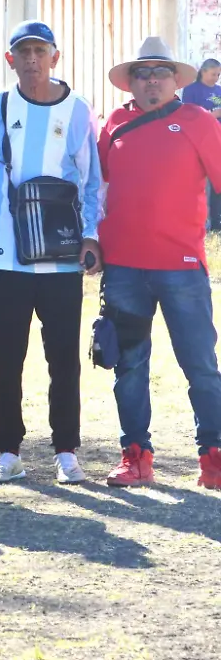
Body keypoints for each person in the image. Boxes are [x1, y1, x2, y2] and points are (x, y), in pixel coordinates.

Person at [0, 20, 102, 486]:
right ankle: (7, 451)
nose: (31, 60)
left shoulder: (79, 109)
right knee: (5, 356)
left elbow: (91, 181)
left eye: (39, 51)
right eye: (22, 52)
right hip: (7, 255)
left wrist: (91, 237)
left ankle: (66, 451)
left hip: (61, 255)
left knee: (63, 357)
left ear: (55, 57)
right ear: (11, 59)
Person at [96, 37, 221, 489]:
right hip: (124, 266)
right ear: (131, 83)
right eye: (142, 73)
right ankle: (136, 456)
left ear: (175, 81)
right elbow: (99, 187)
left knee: (200, 364)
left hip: (182, 266)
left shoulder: (199, 121)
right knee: (129, 365)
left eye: (160, 72)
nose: (151, 80)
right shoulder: (113, 123)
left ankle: (214, 456)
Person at [182, 59, 221, 228]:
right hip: (198, 143)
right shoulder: (191, 90)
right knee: (200, 184)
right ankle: (199, 222)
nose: (216, 78)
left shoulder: (219, 90)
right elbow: (188, 117)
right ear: (203, 72)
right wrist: (212, 115)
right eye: (213, 74)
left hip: (217, 141)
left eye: (218, 75)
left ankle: (217, 222)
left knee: (217, 183)